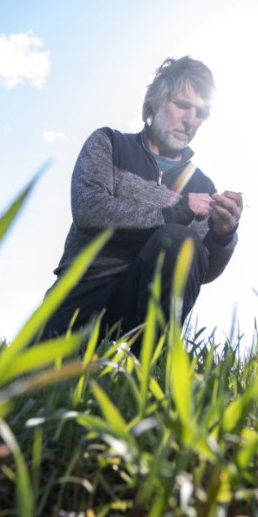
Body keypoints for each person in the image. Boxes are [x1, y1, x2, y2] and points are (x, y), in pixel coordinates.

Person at [41, 56, 243, 346]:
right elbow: (89, 209)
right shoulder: (109, 143)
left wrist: (224, 235)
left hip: (138, 307)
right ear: (156, 103)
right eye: (182, 105)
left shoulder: (203, 186)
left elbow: (202, 271)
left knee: (181, 241)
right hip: (81, 291)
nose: (190, 121)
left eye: (200, 113)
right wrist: (176, 212)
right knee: (29, 379)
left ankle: (146, 363)